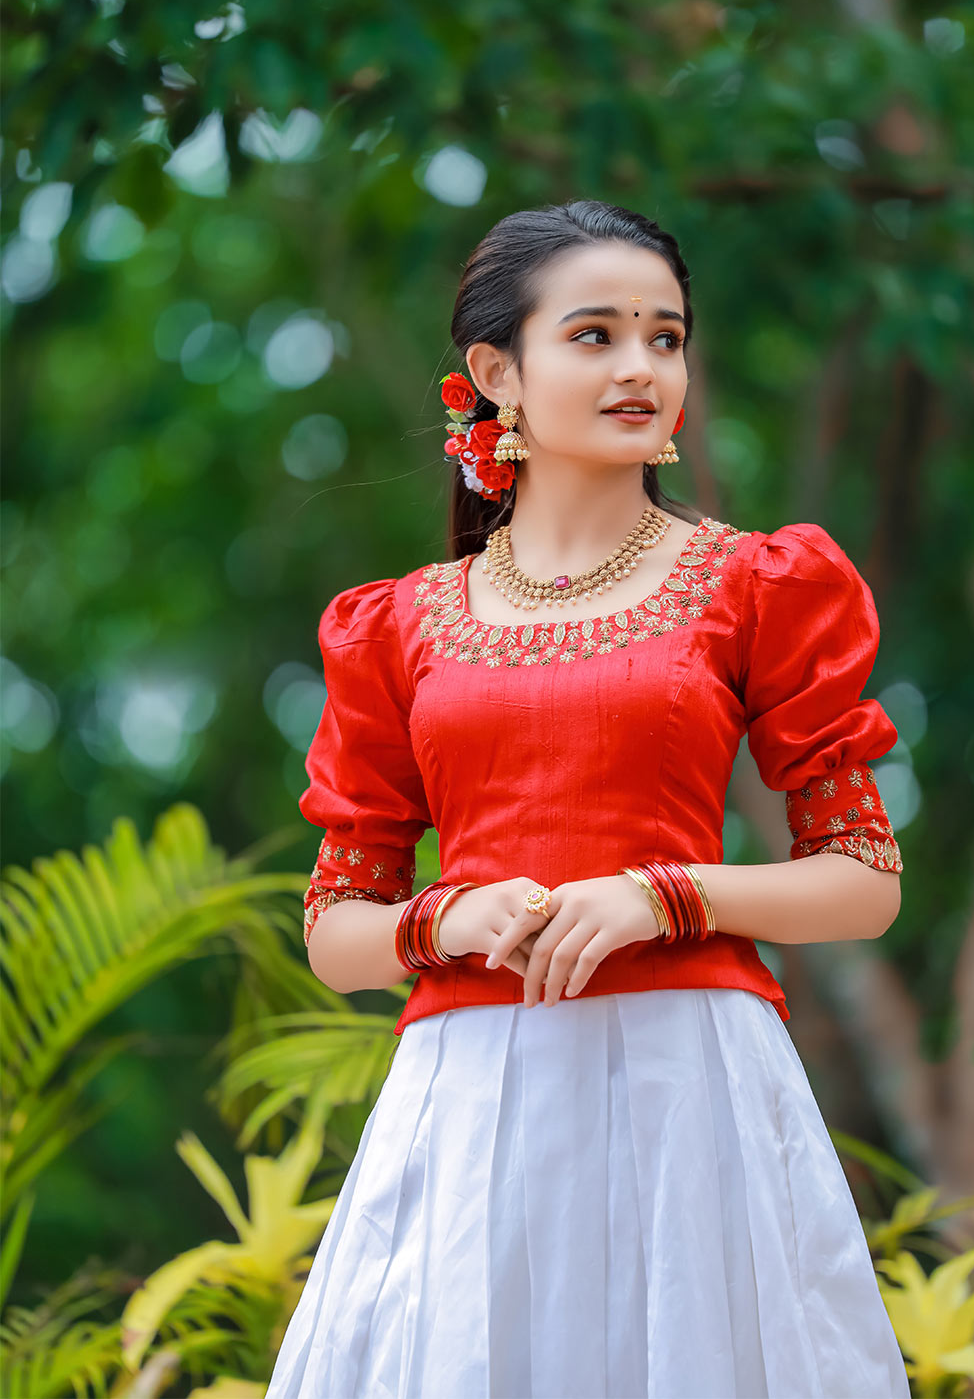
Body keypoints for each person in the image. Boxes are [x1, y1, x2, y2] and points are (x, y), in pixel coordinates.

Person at [264, 200, 911, 1399]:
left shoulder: (755, 585)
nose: (642, 369)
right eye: (597, 335)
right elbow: (335, 930)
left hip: (693, 1095)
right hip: (469, 1106)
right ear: (495, 372)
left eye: (665, 338)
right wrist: (442, 922)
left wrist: (660, 897)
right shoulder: (396, 625)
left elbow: (862, 883)